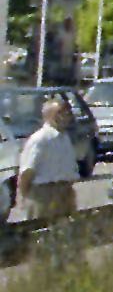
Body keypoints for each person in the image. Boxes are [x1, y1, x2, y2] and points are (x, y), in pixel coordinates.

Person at [13, 98, 82, 229]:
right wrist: (24, 197)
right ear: (48, 115)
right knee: (41, 232)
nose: (65, 117)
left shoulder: (65, 138)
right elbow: (27, 172)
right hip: (43, 194)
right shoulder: (40, 139)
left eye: (67, 113)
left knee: (64, 233)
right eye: (60, 113)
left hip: (64, 191)